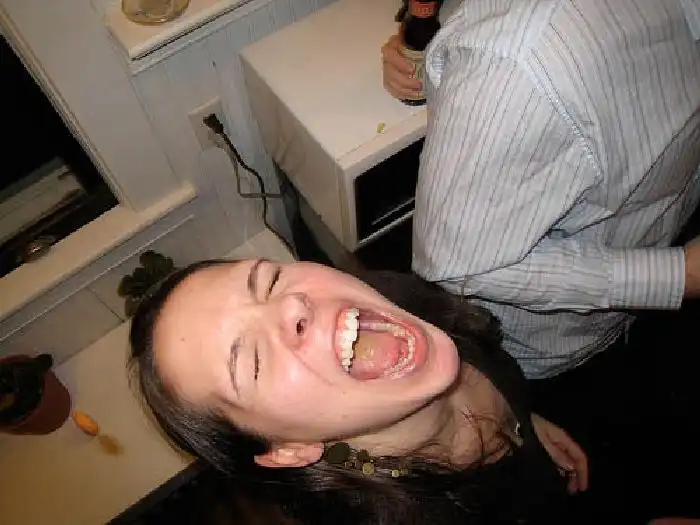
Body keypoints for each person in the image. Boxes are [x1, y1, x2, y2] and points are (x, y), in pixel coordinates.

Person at [129, 258, 589, 525]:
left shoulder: (395, 295)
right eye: (252, 361)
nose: (291, 306)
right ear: (289, 450)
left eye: (270, 281)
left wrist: (522, 422)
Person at [382, 0, 700, 380]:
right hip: (569, 341)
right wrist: (676, 276)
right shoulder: (514, 67)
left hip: (662, 238)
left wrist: (443, 36)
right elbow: (457, 263)